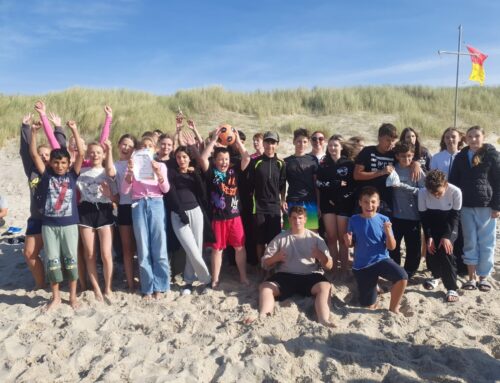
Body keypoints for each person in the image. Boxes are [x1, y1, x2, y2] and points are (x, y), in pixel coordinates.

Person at [29, 120, 85, 311]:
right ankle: (55, 297)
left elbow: (82, 154)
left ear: (68, 163)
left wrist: (74, 130)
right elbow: (34, 154)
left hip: (69, 224)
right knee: (52, 260)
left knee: (71, 259)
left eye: (63, 163)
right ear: (51, 163)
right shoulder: (47, 175)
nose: (60, 166)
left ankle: (72, 296)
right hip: (49, 225)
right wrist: (34, 133)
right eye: (56, 162)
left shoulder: (72, 175)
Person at [248, 206, 334, 327]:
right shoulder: (280, 238)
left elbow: (329, 265)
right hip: (285, 276)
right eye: (294, 218)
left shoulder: (315, 238)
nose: (297, 221)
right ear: (289, 219)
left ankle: (323, 319)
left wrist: (321, 256)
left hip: (309, 275)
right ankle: (263, 316)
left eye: (300, 218)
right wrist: (276, 258)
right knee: (265, 287)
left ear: (305, 220)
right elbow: (265, 263)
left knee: (325, 287)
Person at [449, 126, 500, 292]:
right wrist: (453, 205)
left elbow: (498, 182)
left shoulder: (491, 154)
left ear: (483, 137)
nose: (473, 139)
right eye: (470, 136)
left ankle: (483, 277)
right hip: (465, 206)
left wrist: (497, 206)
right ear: (466, 139)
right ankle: (471, 278)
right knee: (470, 241)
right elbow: (453, 182)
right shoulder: (461, 156)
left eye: (477, 136)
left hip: (486, 206)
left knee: (487, 243)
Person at [20, 108, 66, 289]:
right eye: (41, 155)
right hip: (37, 218)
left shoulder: (57, 170)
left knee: (61, 255)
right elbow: (25, 152)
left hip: (57, 218)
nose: (45, 157)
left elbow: (60, 149)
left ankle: (63, 284)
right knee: (29, 253)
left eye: (47, 155)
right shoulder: (31, 171)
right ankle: (41, 284)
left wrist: (58, 128)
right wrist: (26, 128)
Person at [199, 126, 251, 288]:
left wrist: (236, 138)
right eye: (221, 159)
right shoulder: (211, 171)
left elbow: (247, 158)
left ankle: (243, 276)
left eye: (226, 160)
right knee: (217, 249)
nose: (224, 162)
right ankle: (215, 279)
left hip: (235, 216)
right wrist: (214, 139)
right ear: (215, 161)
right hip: (218, 217)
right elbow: (202, 159)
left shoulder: (234, 170)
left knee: (239, 247)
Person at [122, 136, 171, 299]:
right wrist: (129, 172)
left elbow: (165, 189)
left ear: (155, 149)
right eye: (143, 146)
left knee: (159, 245)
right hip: (138, 204)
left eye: (150, 146)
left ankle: (161, 285)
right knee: (143, 247)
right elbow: (125, 190)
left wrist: (158, 174)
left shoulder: (161, 166)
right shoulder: (133, 166)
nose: (146, 148)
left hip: (156, 203)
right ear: (138, 150)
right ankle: (147, 287)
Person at [344, 187, 407, 313]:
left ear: (378, 203)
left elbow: (392, 247)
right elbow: (350, 245)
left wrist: (389, 233)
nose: (369, 205)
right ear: (360, 203)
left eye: (373, 202)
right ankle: (374, 288)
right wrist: (348, 240)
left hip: (381, 260)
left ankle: (393, 308)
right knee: (368, 305)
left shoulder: (384, 220)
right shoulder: (354, 219)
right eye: (366, 202)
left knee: (402, 277)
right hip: (362, 266)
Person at [167, 146, 212, 294]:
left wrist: (196, 175)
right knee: (190, 248)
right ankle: (207, 280)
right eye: (179, 157)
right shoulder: (172, 173)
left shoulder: (194, 172)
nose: (181, 160)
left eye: (184, 157)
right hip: (178, 214)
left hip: (196, 211)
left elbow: (202, 192)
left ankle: (188, 282)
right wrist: (180, 212)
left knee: (197, 248)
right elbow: (171, 194)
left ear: (189, 158)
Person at [77, 140, 116, 301]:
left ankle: (108, 287)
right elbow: (76, 155)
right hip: (86, 211)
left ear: (104, 154)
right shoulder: (81, 170)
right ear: (87, 154)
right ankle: (96, 288)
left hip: (105, 211)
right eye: (92, 152)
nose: (95, 155)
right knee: (90, 254)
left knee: (106, 254)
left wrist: (111, 149)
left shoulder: (107, 171)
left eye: (98, 152)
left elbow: (113, 175)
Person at [418, 170, 462, 302]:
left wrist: (447, 236)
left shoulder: (456, 192)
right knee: (432, 249)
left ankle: (451, 287)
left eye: (439, 192)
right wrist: (429, 237)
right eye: (433, 193)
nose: (436, 196)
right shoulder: (422, 193)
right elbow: (424, 218)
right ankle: (436, 276)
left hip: (449, 224)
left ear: (446, 184)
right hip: (432, 223)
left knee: (446, 251)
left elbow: (455, 218)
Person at [316, 135, 356, 276]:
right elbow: (319, 184)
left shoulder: (349, 164)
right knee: (332, 237)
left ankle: (344, 269)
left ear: (341, 147)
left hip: (344, 204)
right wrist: (335, 184)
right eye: (330, 145)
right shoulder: (323, 164)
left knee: (343, 238)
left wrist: (342, 196)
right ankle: (333, 268)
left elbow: (352, 186)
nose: (333, 148)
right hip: (327, 205)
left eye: (336, 145)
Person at [247, 131, 287, 264]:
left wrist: (282, 200)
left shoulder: (281, 164)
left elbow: (282, 185)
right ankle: (262, 266)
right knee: (260, 240)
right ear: (263, 143)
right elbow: (250, 186)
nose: (270, 145)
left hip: (274, 207)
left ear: (277, 144)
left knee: (273, 240)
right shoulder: (255, 163)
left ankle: (272, 265)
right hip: (259, 207)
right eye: (267, 141)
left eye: (273, 142)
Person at [389, 141, 426, 279]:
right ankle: (395, 269)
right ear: (397, 156)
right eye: (403, 156)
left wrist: (404, 186)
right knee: (394, 246)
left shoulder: (417, 170)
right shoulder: (392, 169)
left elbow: (424, 192)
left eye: (410, 156)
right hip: (396, 216)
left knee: (413, 247)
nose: (407, 159)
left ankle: (409, 271)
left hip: (413, 215)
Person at [353, 123, 399, 216]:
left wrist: (415, 164)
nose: (390, 144)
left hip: (386, 202)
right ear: (379, 138)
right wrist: (381, 172)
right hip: (367, 202)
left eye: (393, 141)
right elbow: (357, 175)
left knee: (385, 230)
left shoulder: (394, 154)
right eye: (388, 140)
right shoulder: (367, 151)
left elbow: (408, 159)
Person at [112, 134, 137, 291]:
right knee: (127, 248)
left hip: (139, 205)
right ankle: (130, 281)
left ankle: (142, 277)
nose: (126, 147)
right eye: (124, 144)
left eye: (130, 145)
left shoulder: (139, 164)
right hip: (123, 207)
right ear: (119, 145)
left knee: (141, 247)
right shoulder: (114, 165)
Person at [283, 128, 319, 230]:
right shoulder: (286, 161)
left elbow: (316, 184)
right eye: (299, 141)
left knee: (312, 234)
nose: (301, 144)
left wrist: (318, 205)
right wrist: (282, 200)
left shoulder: (312, 160)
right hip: (292, 201)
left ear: (308, 143)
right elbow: (282, 184)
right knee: (289, 234)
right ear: (294, 142)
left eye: (304, 142)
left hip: (310, 201)